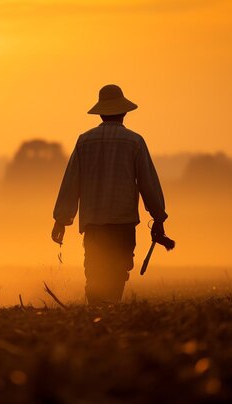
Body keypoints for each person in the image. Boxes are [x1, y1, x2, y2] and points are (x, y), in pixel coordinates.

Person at [51, 84, 168, 305]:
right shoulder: (134, 141)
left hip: (94, 222)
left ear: (101, 113)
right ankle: (109, 309)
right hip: (122, 222)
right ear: (124, 112)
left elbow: (71, 182)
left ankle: (96, 310)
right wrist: (159, 216)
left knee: (94, 269)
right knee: (118, 270)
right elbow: (148, 183)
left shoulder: (85, 141)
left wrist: (61, 220)